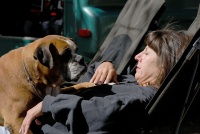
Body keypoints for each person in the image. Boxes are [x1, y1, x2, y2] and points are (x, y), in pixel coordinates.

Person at [18, 27, 192, 134]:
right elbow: (91, 76)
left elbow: (101, 113)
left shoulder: (142, 98)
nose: (137, 56)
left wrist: (48, 105)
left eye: (146, 53)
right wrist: (106, 64)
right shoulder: (131, 81)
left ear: (162, 66)